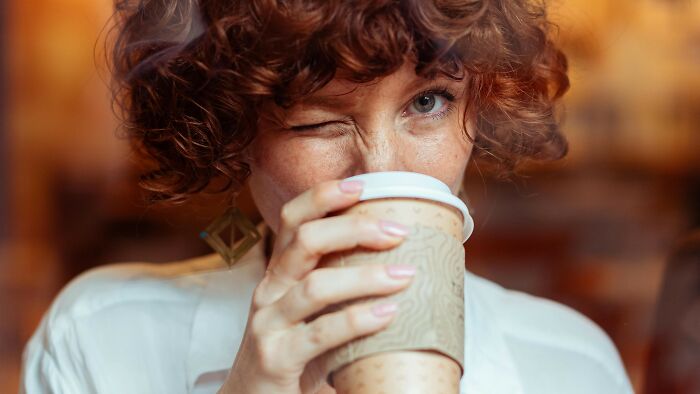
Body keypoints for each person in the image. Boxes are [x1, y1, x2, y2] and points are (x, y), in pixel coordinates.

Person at [20, 0, 635, 393]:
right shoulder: (101, 338)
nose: (381, 167)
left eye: (428, 102)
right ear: (234, 137)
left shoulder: (570, 363)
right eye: (318, 122)